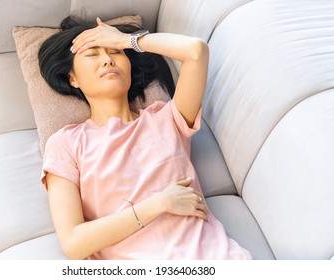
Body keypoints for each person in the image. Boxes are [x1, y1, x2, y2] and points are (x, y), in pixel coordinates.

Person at [39, 16, 252, 260]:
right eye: (92, 54)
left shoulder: (166, 118)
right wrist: (159, 203)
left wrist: (127, 40)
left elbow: (196, 51)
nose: (108, 59)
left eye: (115, 52)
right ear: (72, 79)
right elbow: (74, 243)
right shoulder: (66, 143)